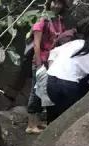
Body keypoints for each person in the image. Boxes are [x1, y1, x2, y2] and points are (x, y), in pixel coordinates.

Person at [26, 0, 69, 134]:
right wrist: (39, 65)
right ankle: (31, 125)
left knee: (43, 91)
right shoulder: (42, 19)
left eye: (60, 3)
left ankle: (37, 122)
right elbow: (36, 44)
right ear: (49, 3)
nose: (57, 5)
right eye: (54, 2)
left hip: (52, 60)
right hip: (41, 60)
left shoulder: (59, 20)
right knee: (35, 91)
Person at [46, 29, 89, 121]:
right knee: (72, 115)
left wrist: (51, 68)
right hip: (68, 84)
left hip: (51, 81)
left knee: (58, 110)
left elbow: (53, 51)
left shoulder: (75, 43)